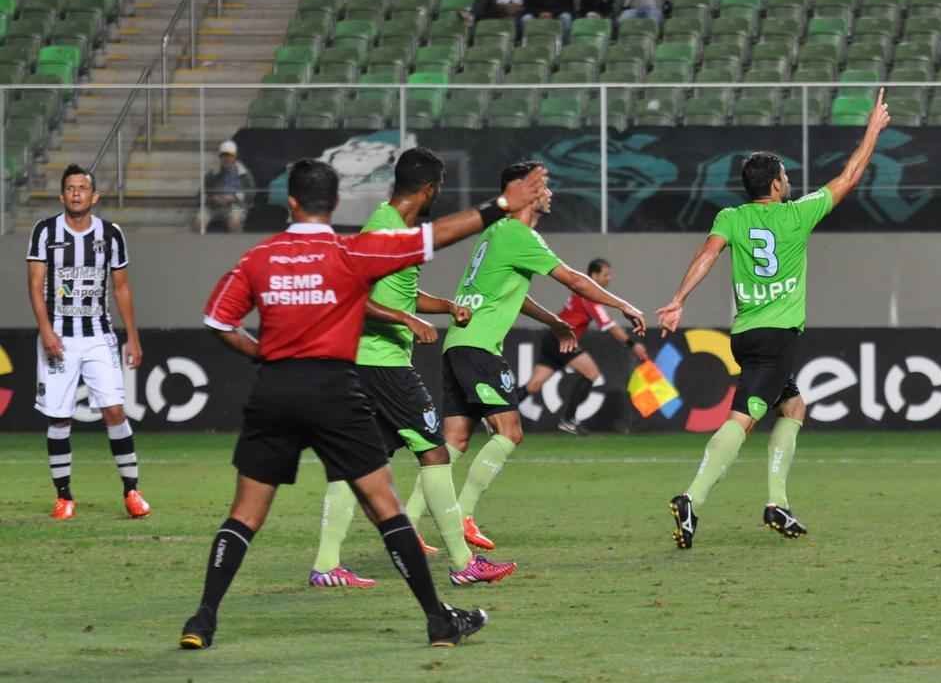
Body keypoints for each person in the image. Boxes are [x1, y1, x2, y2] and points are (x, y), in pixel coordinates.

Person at [179, 159, 546, 651]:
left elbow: (217, 320)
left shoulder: (257, 258)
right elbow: (432, 238)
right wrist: (500, 206)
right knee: (387, 505)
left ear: (290, 202)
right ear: (333, 205)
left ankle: (202, 619)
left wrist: (262, 354)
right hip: (335, 388)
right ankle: (440, 617)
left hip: (275, 390)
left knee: (245, 514)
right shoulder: (350, 252)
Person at [659, 91, 892, 549]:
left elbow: (708, 254)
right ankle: (692, 497)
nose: (789, 180)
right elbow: (850, 175)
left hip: (744, 334)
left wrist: (679, 298)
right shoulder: (797, 215)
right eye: (786, 176)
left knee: (794, 407)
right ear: (778, 185)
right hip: (776, 337)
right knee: (744, 418)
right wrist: (873, 131)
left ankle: (777, 503)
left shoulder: (732, 216)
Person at [308, 148, 518, 590]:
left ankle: (326, 564)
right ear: (429, 189)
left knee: (361, 463)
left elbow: (401, 291)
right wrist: (407, 320)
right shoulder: (382, 231)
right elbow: (353, 297)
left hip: (372, 363)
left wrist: (442, 307)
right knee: (435, 451)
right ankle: (463, 563)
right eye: (439, 187)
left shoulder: (397, 228)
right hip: (381, 365)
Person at [441, 161, 646, 550]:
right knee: (511, 432)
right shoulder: (519, 234)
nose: (550, 191)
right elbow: (574, 279)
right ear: (525, 190)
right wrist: (625, 305)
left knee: (454, 441)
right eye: (544, 184)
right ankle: (464, 514)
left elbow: (512, 293)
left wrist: (553, 321)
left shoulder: (494, 233)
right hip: (480, 346)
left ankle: (416, 521)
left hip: (458, 343)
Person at [26, 164, 150, 521]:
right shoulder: (45, 232)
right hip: (59, 336)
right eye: (71, 188)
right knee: (60, 417)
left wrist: (133, 337)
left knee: (114, 410)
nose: (77, 193)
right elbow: (35, 285)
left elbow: (121, 287)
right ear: (62, 195)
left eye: (83, 188)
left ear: (94, 196)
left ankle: (132, 490)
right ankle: (64, 496)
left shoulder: (111, 234)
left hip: (98, 335)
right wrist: (46, 330)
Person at [524, 258, 648, 434]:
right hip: (562, 338)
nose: (609, 278)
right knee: (592, 373)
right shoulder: (589, 297)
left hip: (552, 336)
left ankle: (493, 411)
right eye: (606, 274)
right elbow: (610, 326)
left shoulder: (583, 295)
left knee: (534, 385)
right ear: (594, 275)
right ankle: (568, 420)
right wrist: (632, 344)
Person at [198, 140, 255, 233]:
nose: (227, 158)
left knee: (234, 222)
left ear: (235, 156)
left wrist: (234, 197)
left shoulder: (244, 173)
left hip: (235, 206)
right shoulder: (212, 173)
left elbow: (252, 193)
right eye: (224, 155)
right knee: (198, 222)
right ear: (220, 157)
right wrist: (211, 198)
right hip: (213, 206)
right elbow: (201, 193)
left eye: (230, 155)